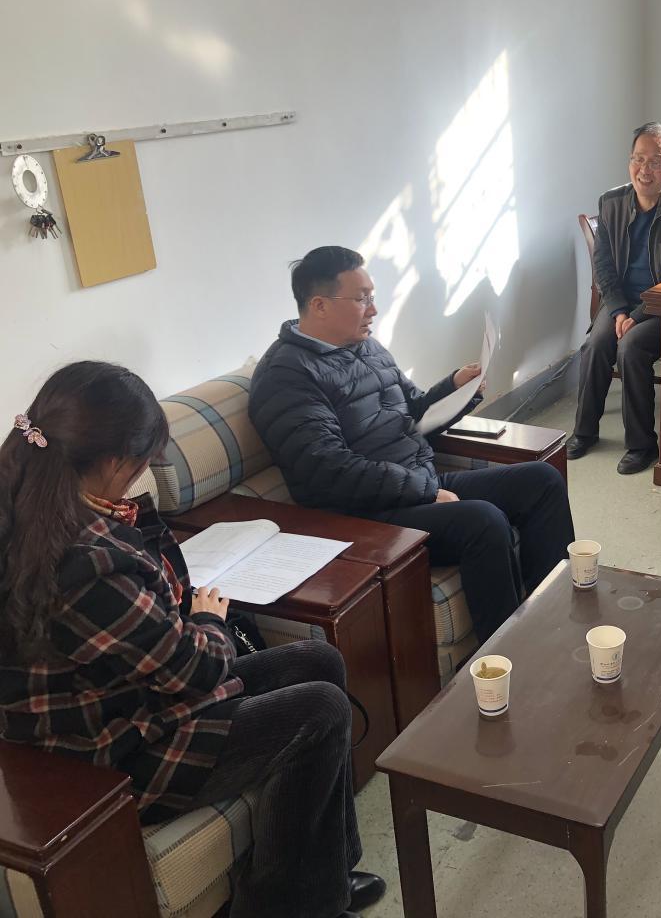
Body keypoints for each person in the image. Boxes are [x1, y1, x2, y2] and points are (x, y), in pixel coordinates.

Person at [0, 362, 382, 918]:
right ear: (113, 462)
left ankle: (327, 878)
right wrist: (210, 620)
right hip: (101, 752)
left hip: (118, 699)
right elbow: (193, 671)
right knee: (320, 709)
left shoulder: (28, 499)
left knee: (316, 660)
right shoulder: (86, 563)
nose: (139, 478)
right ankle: (287, 908)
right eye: (140, 465)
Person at [249, 245, 575, 642]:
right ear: (319, 305)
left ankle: (554, 615)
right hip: (363, 514)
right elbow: (330, 471)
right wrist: (426, 491)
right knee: (483, 521)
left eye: (372, 296)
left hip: (416, 483)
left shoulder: (365, 345)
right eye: (362, 299)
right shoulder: (286, 377)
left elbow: (413, 410)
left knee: (541, 480)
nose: (373, 309)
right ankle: (509, 652)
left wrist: (456, 387)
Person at [567, 122, 661, 475]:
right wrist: (618, 312)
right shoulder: (610, 202)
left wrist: (636, 316)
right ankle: (584, 432)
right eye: (637, 159)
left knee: (630, 349)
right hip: (619, 303)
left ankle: (642, 445)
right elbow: (603, 266)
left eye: (655, 161)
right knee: (595, 345)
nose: (645, 169)